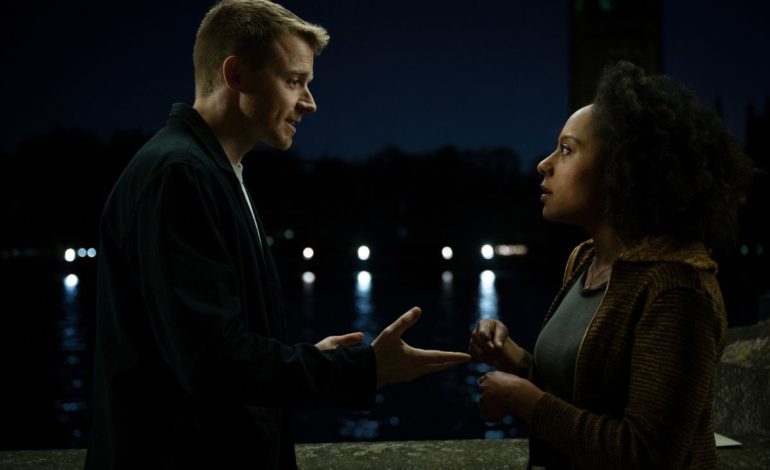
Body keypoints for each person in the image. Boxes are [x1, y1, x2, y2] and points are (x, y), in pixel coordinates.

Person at [85, 1, 470, 468]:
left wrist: (307, 360)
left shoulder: (209, 171)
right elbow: (212, 362)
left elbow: (215, 345)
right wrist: (361, 369)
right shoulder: (179, 175)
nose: (310, 102)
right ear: (236, 75)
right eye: (294, 81)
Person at [469, 60, 753, 469]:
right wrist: (512, 358)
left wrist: (524, 401)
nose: (544, 163)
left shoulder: (677, 289)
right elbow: (581, 396)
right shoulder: (584, 261)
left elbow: (647, 454)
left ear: (619, 169)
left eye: (566, 150)